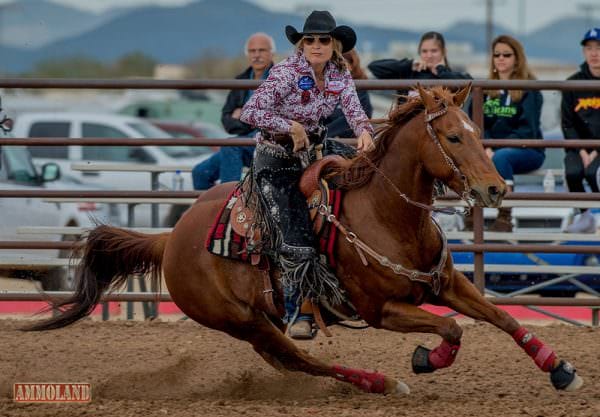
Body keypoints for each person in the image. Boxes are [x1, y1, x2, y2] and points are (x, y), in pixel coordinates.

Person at [240, 10, 374, 339]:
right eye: (310, 39)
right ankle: (297, 311)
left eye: (323, 40)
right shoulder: (286, 72)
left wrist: (366, 132)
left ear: (334, 45)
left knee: (367, 177)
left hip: (315, 151)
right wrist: (291, 126)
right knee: (296, 229)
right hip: (277, 158)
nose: (316, 45)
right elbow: (251, 111)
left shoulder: (340, 75)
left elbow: (355, 111)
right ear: (302, 43)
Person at [191, 33, 275, 191]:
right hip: (243, 144)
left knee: (231, 145)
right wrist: (251, 120)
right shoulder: (240, 80)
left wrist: (242, 115)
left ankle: (228, 204)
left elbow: (271, 119)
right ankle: (212, 213)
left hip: (268, 143)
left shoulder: (279, 79)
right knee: (200, 173)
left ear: (272, 53)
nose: (256, 55)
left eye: (262, 50)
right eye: (252, 51)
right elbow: (226, 120)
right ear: (247, 54)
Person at [479, 35, 545, 232]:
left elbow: (528, 130)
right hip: (491, 150)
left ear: (517, 58)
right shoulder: (483, 89)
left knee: (503, 156)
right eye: (496, 55)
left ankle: (505, 216)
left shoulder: (529, 88)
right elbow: (476, 123)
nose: (500, 58)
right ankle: (470, 216)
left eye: (506, 55)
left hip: (528, 150)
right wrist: (486, 145)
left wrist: (495, 147)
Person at [561, 28, 600, 233]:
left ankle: (597, 215)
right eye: (589, 48)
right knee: (573, 172)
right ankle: (585, 215)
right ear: (584, 52)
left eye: (598, 48)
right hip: (578, 147)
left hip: (599, 148)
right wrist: (582, 149)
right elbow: (567, 122)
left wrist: (595, 150)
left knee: (595, 173)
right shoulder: (572, 82)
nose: (594, 53)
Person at [368, 31, 471, 101]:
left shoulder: (449, 74)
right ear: (419, 52)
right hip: (407, 126)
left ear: (443, 52)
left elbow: (469, 83)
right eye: (424, 51)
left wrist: (440, 70)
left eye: (434, 51)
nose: (429, 55)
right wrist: (409, 64)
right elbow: (374, 67)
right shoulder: (409, 72)